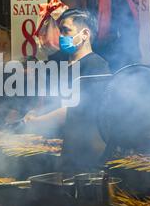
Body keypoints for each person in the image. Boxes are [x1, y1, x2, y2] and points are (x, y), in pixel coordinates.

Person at [22, 9, 111, 173]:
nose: (61, 36)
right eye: (60, 31)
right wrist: (35, 111)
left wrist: (38, 121)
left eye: (66, 30)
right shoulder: (59, 63)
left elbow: (76, 111)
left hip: (83, 156)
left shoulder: (97, 66)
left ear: (85, 34)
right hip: (54, 153)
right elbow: (50, 101)